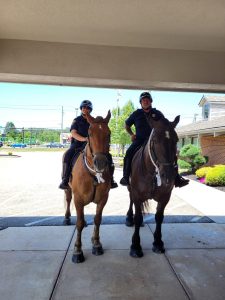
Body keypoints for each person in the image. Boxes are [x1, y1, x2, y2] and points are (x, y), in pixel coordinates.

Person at [120, 91, 189, 188]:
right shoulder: (136, 114)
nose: (146, 101)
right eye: (143, 100)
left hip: (156, 141)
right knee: (129, 153)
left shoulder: (157, 113)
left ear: (151, 101)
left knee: (171, 153)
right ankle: (126, 177)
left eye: (147, 100)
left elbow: (165, 125)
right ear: (141, 102)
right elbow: (127, 125)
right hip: (140, 140)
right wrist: (131, 134)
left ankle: (177, 178)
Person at [59, 100, 118, 190]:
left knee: (108, 156)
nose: (85, 109)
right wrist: (84, 139)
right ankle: (65, 179)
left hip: (92, 145)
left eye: (87, 108)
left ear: (90, 110)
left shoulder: (93, 121)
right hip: (77, 144)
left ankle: (111, 179)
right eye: (83, 107)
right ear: (81, 109)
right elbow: (73, 133)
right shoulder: (77, 120)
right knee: (67, 155)